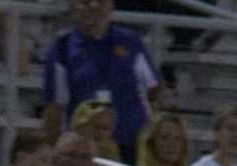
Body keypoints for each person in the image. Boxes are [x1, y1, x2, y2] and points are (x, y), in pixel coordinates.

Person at [39, 0, 160, 157]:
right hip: (85, 151)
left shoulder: (131, 41)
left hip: (132, 145)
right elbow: (53, 110)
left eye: (101, 1)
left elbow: (154, 90)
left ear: (111, 5)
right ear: (72, 5)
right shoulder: (62, 48)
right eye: (85, 1)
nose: (94, 6)